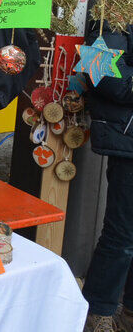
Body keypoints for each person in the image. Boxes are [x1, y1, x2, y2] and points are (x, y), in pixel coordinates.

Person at [82, 23, 133, 332]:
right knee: (122, 234)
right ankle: (97, 309)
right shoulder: (113, 10)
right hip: (128, 141)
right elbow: (97, 67)